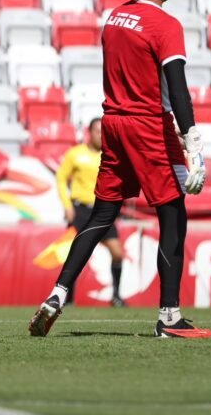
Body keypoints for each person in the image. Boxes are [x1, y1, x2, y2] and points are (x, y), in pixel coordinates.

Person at [29, 0, 211, 339]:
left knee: (101, 215)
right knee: (173, 215)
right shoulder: (165, 24)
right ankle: (169, 317)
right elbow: (176, 87)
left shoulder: (114, 18)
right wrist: (192, 139)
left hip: (112, 123)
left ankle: (58, 295)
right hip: (149, 125)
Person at [55, 117, 126, 307]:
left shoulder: (111, 155)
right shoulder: (75, 154)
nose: (101, 136)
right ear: (89, 132)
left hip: (103, 210)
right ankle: (66, 298)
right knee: (74, 255)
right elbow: (61, 178)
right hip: (80, 211)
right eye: (97, 131)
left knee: (118, 253)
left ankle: (117, 296)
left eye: (104, 132)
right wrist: (67, 205)